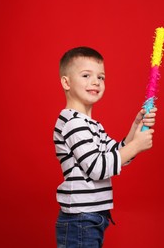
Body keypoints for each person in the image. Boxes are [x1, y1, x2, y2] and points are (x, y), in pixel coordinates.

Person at [53, 46, 157, 248]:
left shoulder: (91, 124)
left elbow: (116, 155)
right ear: (66, 82)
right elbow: (98, 168)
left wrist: (135, 128)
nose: (95, 82)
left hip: (92, 218)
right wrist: (136, 145)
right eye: (86, 75)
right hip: (79, 220)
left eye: (101, 77)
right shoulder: (73, 123)